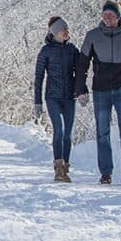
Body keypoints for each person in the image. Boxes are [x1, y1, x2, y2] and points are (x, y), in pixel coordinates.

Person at [75, 0, 121, 185]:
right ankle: (106, 173)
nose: (108, 18)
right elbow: (82, 64)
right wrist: (81, 88)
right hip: (101, 90)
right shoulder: (92, 36)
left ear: (118, 17)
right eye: (105, 15)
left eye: (111, 15)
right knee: (102, 132)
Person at [34, 16, 80, 183]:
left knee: (68, 133)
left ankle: (65, 168)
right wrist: (37, 102)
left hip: (69, 97)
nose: (67, 32)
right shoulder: (45, 51)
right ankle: (58, 167)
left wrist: (81, 91)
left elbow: (81, 72)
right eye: (63, 30)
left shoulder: (72, 50)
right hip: (52, 97)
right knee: (58, 130)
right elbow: (38, 78)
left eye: (67, 29)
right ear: (55, 33)